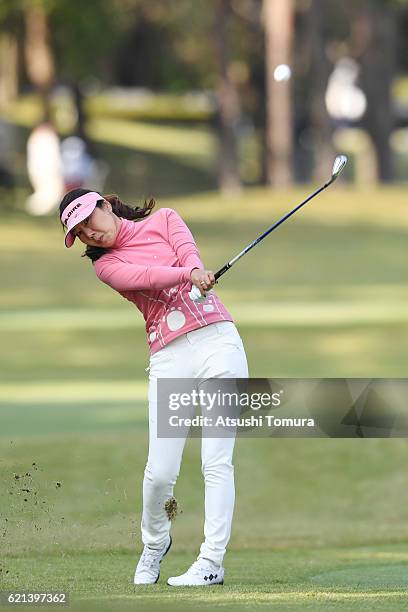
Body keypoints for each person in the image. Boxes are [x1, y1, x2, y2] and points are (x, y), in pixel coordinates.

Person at [59, 189, 248, 587]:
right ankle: (154, 543)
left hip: (219, 341)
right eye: (80, 233)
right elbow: (145, 277)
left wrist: (195, 269)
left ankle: (211, 561)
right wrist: (188, 275)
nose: (90, 233)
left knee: (217, 460)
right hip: (169, 355)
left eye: (89, 221)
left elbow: (186, 250)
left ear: (106, 206)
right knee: (161, 473)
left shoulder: (164, 219)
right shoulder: (106, 267)